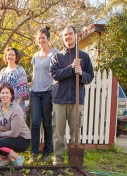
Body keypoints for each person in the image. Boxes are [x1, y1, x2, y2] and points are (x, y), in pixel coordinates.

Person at [50, 25, 94, 166]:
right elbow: (55, 74)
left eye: (70, 34)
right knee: (59, 133)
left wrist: (81, 72)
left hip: (77, 100)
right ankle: (58, 159)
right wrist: (71, 68)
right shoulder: (57, 56)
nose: (67, 37)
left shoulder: (84, 56)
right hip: (59, 100)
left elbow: (90, 77)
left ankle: (74, 160)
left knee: (76, 133)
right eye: (65, 35)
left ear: (75, 35)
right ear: (62, 38)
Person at [0, 83, 30, 167]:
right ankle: (5, 159)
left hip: (21, 139)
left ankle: (18, 158)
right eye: (2, 93)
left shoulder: (16, 110)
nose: (4, 95)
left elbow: (14, 133)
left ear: (11, 95)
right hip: (6, 136)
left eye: (7, 93)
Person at [30, 27, 59, 164]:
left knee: (47, 122)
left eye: (43, 37)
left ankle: (47, 152)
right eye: (39, 38)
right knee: (35, 122)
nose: (41, 40)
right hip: (35, 92)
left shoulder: (55, 53)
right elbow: (35, 73)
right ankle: (34, 153)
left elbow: (57, 72)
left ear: (48, 39)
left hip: (48, 92)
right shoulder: (35, 56)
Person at [0, 47, 29, 111]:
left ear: (16, 57)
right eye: (9, 54)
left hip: (16, 105)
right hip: (4, 105)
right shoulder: (3, 71)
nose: (10, 56)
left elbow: (22, 90)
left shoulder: (20, 70)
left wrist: (16, 105)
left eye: (13, 55)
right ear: (6, 56)